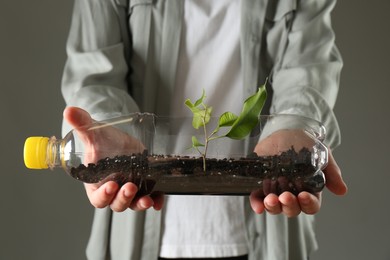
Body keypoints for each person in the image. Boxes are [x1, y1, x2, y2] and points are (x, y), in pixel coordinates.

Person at [61, 0, 348, 259]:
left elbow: (309, 66)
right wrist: (106, 133)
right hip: (139, 229)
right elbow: (94, 75)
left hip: (265, 229)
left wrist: (295, 134)